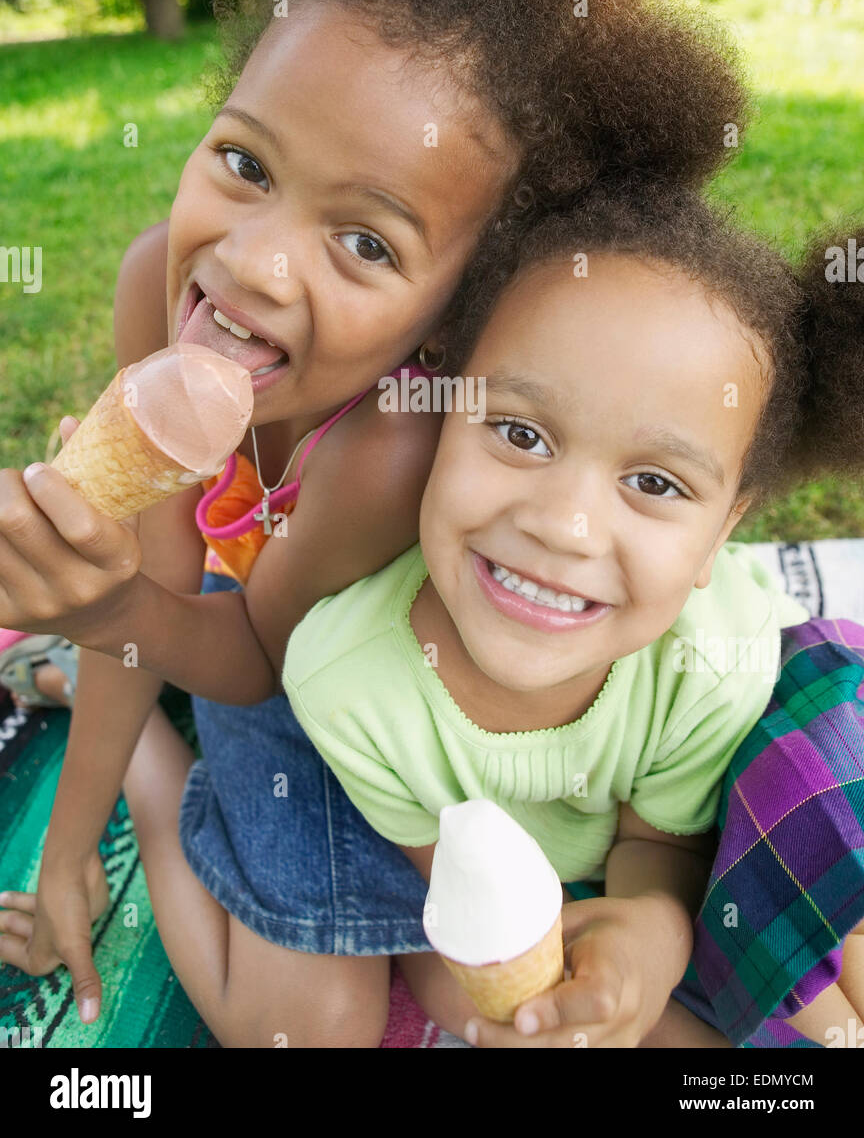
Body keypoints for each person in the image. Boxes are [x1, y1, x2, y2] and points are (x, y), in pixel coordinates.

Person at [0, 0, 757, 1047]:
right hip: (213, 633)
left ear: (461, 310)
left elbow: (254, 657)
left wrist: (104, 619)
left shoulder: (392, 437)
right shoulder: (158, 283)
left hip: (350, 689)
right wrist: (68, 840)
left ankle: (140, 757)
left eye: (364, 240)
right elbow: (163, 564)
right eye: (244, 163)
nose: (253, 265)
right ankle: (120, 752)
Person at [280, 181, 864, 1048]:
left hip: (774, 750)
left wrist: (654, 934)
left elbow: (662, 847)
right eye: (520, 434)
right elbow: (480, 915)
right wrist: (626, 969)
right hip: (582, 880)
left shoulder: (708, 661)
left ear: (721, 536)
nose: (565, 525)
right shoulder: (345, 688)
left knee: (826, 846)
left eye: (656, 484)